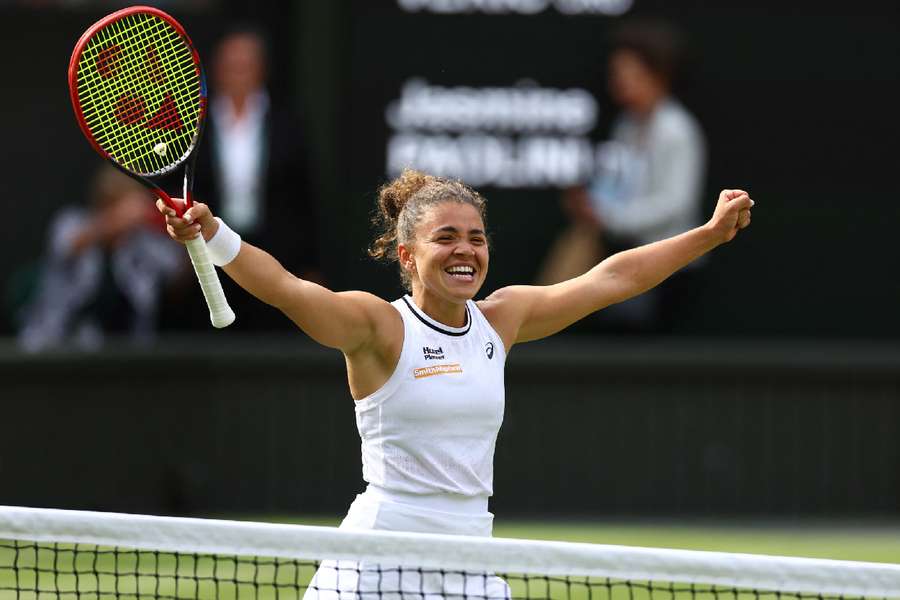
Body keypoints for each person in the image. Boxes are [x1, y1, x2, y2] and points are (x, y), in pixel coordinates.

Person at [157, 169, 753, 597]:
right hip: (378, 561)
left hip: (471, 554)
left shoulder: (502, 318)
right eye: (445, 238)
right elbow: (288, 288)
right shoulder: (378, 326)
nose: (464, 249)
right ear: (407, 255)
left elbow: (613, 278)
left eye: (475, 237)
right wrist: (215, 235)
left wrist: (706, 234)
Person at [537, 20, 706, 332]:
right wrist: (592, 207)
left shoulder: (676, 130)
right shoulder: (627, 125)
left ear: (658, 75)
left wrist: (611, 217)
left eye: (630, 74)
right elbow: (616, 185)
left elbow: (676, 205)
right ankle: (544, 316)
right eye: (617, 74)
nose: (620, 82)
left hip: (669, 266)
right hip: (628, 255)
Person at [192, 25, 321, 329]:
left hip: (274, 251)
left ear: (261, 71)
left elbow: (305, 198)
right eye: (230, 66)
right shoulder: (196, 122)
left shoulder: (287, 123)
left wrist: (311, 265)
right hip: (207, 253)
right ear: (217, 71)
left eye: (245, 67)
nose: (238, 74)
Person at [17, 166, 185, 352]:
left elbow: (177, 271)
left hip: (131, 353)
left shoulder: (142, 240)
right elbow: (68, 245)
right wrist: (118, 220)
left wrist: (177, 226)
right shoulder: (70, 222)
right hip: (57, 346)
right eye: (114, 204)